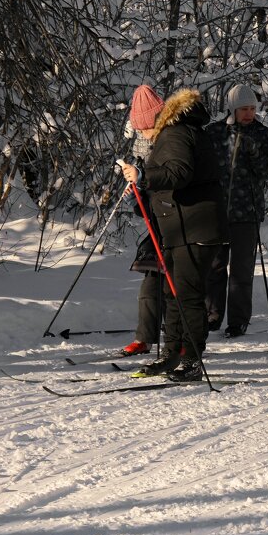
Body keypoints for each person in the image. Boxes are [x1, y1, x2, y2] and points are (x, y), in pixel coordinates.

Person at [133, 88, 228, 381]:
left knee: (187, 295)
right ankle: (172, 352)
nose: (142, 135)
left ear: (153, 121)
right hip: (180, 226)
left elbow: (179, 173)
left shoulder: (174, 135)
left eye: (142, 128)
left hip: (193, 227)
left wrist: (144, 177)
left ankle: (191, 358)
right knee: (173, 293)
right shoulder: (178, 132)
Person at [205, 83, 268, 336]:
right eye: (243, 109)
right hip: (215, 211)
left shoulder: (264, 134)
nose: (248, 113)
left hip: (246, 212)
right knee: (214, 267)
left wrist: (255, 151)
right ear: (232, 109)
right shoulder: (214, 132)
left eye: (252, 108)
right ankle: (211, 315)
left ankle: (238, 320)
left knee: (241, 270)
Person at [120, 83, 166, 357]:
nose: (145, 134)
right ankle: (145, 337)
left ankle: (181, 341)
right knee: (151, 276)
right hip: (155, 216)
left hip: (180, 217)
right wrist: (134, 186)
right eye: (140, 129)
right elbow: (140, 171)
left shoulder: (175, 137)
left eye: (148, 127)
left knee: (177, 284)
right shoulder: (141, 139)